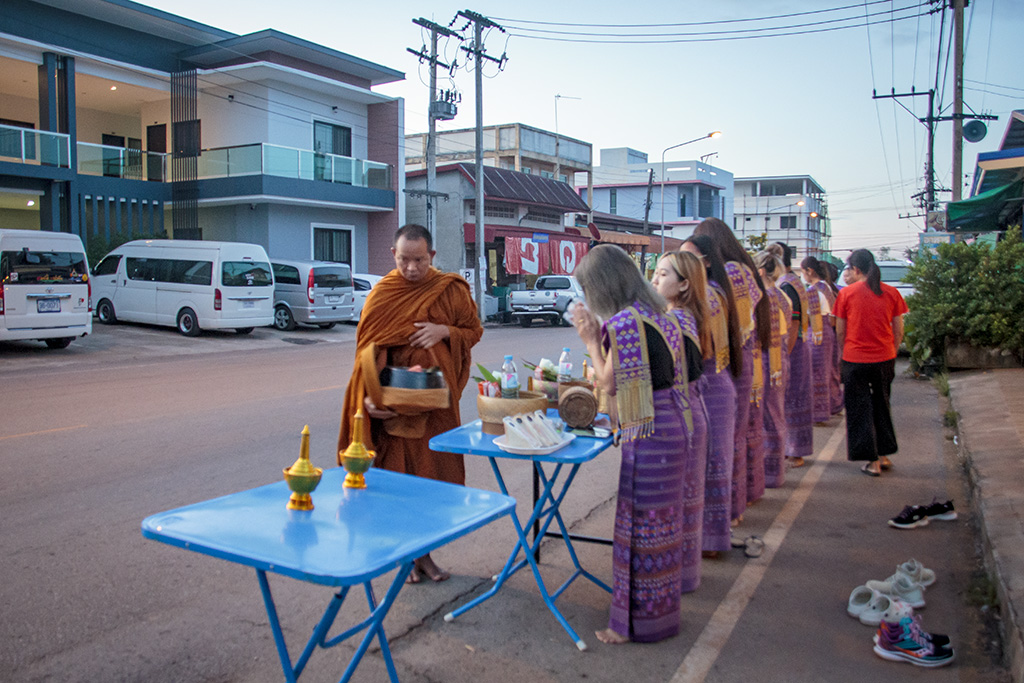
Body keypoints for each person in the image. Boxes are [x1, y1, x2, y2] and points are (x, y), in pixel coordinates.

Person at [337, 224, 483, 583]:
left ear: (431, 256)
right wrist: (367, 399)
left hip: (436, 407)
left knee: (432, 483)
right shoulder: (383, 293)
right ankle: (404, 557)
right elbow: (365, 354)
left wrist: (445, 332)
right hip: (393, 404)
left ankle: (425, 556)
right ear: (393, 256)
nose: (412, 268)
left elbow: (474, 330)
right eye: (404, 260)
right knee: (396, 484)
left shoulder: (449, 290)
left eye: (419, 260)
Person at [572, 244, 701, 644]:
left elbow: (608, 382)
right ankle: (659, 616)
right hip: (677, 424)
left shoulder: (627, 322)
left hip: (650, 433)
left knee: (640, 529)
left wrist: (591, 340)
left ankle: (632, 626)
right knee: (662, 527)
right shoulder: (664, 315)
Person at [694, 219, 769, 524]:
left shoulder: (730, 275)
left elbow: (730, 325)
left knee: (726, 440)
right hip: (741, 357)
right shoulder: (743, 270)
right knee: (736, 435)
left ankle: (729, 512)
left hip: (727, 359)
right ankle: (736, 505)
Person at [651, 250, 711, 586]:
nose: (655, 280)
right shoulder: (685, 316)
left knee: (675, 506)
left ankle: (675, 581)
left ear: (684, 284)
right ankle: (684, 577)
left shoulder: (675, 321)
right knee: (685, 503)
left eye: (663, 275)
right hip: (690, 415)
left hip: (679, 418)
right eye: (656, 273)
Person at [682, 235, 738, 555]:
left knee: (714, 466)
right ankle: (708, 541)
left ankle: (712, 542)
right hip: (713, 386)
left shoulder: (709, 297)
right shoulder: (711, 293)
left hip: (711, 388)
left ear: (704, 262)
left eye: (687, 258)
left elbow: (702, 350)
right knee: (710, 465)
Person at [834, 249, 908, 476]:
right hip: (884, 359)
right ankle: (884, 454)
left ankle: (872, 461)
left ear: (856, 270)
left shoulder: (847, 294)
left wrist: (842, 354)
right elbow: (899, 330)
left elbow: (840, 331)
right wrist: (891, 352)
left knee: (859, 409)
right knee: (882, 405)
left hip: (855, 360)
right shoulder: (891, 293)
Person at [770, 242, 813, 467]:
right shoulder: (793, 282)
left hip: (793, 348)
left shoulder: (786, 286)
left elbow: (794, 323)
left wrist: (784, 355)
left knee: (791, 400)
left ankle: (795, 450)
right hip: (796, 347)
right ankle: (793, 450)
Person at [753, 250, 791, 488]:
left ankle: (769, 472)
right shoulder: (783, 296)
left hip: (765, 361)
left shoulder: (760, 299)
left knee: (766, 417)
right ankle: (775, 470)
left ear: (760, 271)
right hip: (780, 360)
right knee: (776, 414)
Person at [801, 256, 835, 425]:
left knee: (816, 373)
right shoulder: (826, 287)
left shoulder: (813, 290)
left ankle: (818, 413)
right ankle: (826, 409)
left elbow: (807, 317)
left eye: (803, 272)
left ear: (809, 271)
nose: (803, 276)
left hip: (816, 331)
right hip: (826, 329)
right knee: (825, 372)